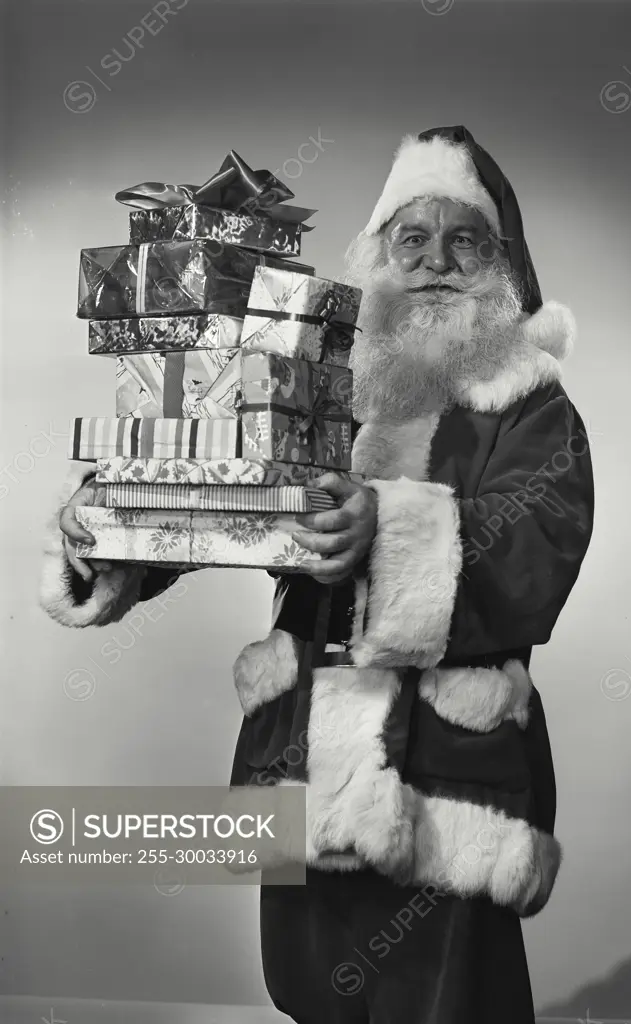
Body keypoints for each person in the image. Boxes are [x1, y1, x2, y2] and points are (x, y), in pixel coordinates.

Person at [41, 125, 595, 1023]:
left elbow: (539, 543)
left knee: (445, 994)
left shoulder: (532, 406)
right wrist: (108, 533)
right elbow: (227, 500)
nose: (436, 263)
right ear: (377, 254)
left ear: (503, 265)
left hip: (441, 760)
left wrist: (392, 526)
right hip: (302, 742)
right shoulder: (314, 380)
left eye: (466, 240)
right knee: (310, 978)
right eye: (412, 238)